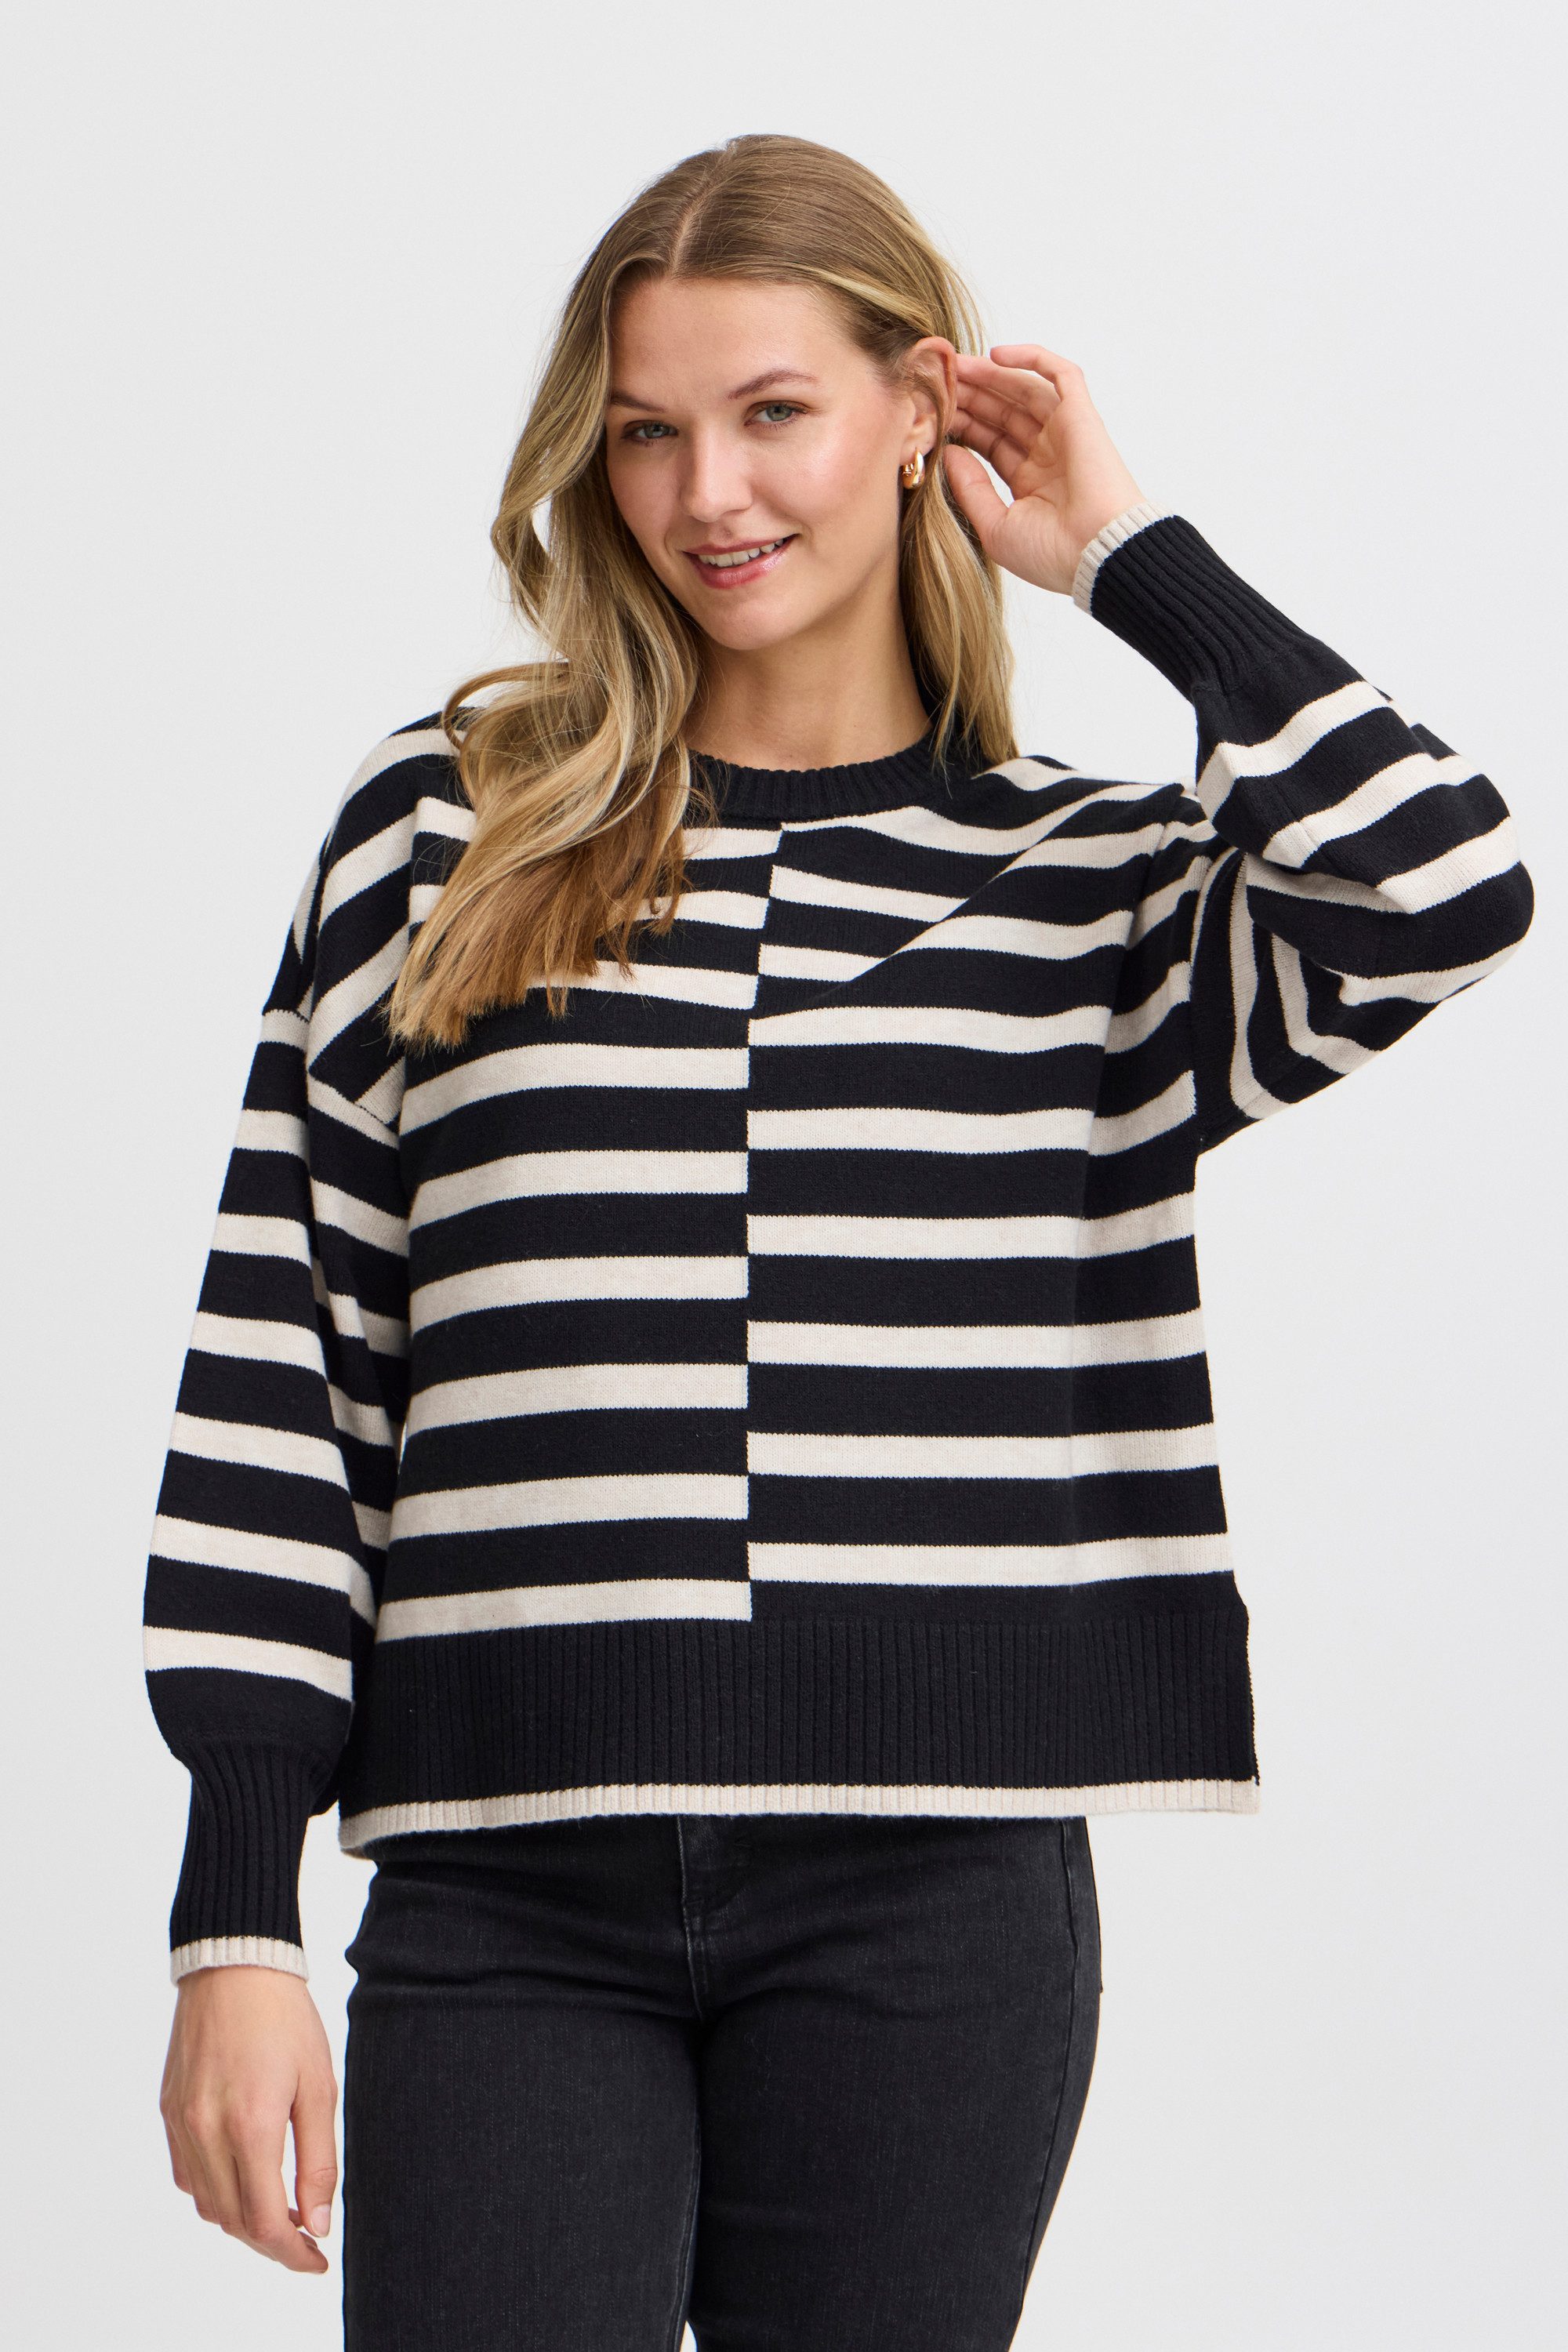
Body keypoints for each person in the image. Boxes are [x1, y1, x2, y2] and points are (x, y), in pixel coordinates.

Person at [143, 132, 1532, 2350]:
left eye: (773, 409)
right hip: (504, 1887)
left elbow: (1444, 885)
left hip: (934, 1904)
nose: (706, 493)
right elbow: (290, 1376)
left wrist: (1129, 555)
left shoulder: (1101, 897)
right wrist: (235, 1918)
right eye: (645, 432)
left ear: (920, 409)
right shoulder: (447, 831)